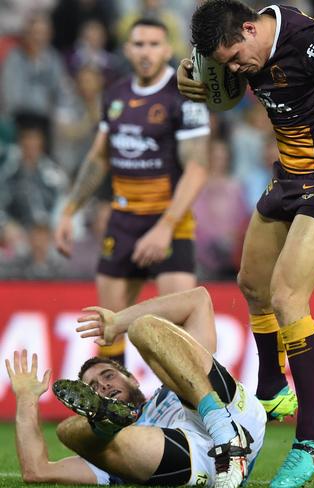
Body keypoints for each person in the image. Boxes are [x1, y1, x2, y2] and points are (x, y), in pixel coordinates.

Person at [177, 1, 314, 486]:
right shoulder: (238, 45)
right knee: (251, 283)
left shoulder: (306, 40)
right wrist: (186, 74)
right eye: (226, 63)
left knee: (287, 297)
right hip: (290, 178)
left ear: (252, 29)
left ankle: (311, 439)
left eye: (235, 58)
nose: (235, 70)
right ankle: (273, 386)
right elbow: (201, 77)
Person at [54, 18, 210, 365]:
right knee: (108, 328)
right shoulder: (115, 94)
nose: (146, 52)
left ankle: (188, 414)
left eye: (154, 44)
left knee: (178, 334)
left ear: (168, 49)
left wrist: (165, 227)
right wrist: (69, 211)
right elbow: (98, 158)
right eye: (139, 44)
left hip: (169, 222)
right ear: (127, 49)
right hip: (123, 221)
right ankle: (116, 413)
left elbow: (198, 168)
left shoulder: (185, 95)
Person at [5, 287, 266, 488]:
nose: (104, 385)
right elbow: (36, 470)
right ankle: (103, 421)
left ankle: (223, 430)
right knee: (69, 431)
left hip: (232, 416)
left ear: (133, 378)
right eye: (93, 387)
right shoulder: (120, 447)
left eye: (108, 375)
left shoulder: (175, 381)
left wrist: (118, 322)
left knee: (142, 327)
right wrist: (26, 398)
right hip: (195, 460)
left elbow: (198, 300)